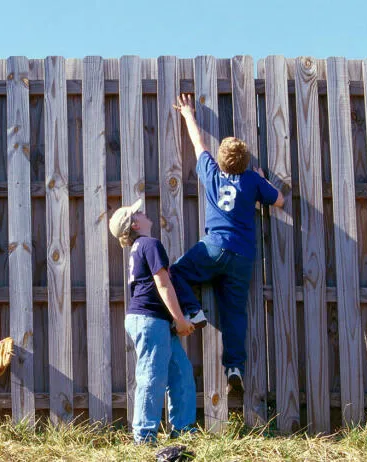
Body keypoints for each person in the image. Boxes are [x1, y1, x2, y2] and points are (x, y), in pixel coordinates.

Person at [171, 94, 285, 394]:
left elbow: (198, 144)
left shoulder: (210, 173)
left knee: (177, 273)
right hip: (243, 256)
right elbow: (280, 201)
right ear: (247, 163)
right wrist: (263, 179)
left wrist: (188, 114)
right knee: (234, 312)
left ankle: (193, 310)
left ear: (220, 160)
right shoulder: (252, 181)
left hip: (214, 247)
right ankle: (234, 366)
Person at [109, 199, 197, 444]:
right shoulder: (150, 244)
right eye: (138, 212)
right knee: (151, 375)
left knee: (180, 372)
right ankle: (144, 436)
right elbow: (163, 284)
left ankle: (184, 431)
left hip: (152, 319)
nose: (144, 211)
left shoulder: (139, 247)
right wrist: (180, 319)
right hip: (150, 320)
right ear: (135, 224)